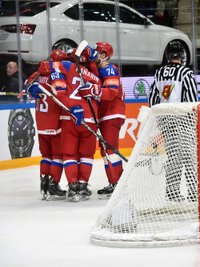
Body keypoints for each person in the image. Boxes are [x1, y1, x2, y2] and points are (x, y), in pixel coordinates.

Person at [37, 53, 102, 202]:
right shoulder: (95, 77)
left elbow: (49, 68)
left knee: (69, 155)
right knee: (86, 155)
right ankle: (83, 185)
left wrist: (72, 107)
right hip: (90, 117)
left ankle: (73, 187)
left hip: (68, 117)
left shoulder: (66, 66)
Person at [148, 41, 199, 202]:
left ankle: (172, 192)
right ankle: (193, 192)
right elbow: (191, 101)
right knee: (190, 157)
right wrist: (193, 121)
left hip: (166, 122)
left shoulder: (159, 73)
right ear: (182, 56)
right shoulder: (186, 73)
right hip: (182, 120)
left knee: (173, 158)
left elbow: (152, 100)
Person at [78, 42, 126, 199]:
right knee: (107, 150)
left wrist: (93, 90)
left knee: (109, 150)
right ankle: (116, 182)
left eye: (98, 52)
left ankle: (117, 183)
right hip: (108, 115)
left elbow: (112, 92)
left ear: (105, 55)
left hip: (112, 114)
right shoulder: (100, 71)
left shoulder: (109, 68)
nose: (94, 55)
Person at [25, 50, 68, 200]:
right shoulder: (57, 74)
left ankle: (44, 186)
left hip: (41, 122)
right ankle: (53, 185)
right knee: (57, 155)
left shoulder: (39, 73)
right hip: (55, 121)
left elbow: (27, 86)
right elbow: (61, 92)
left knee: (46, 155)